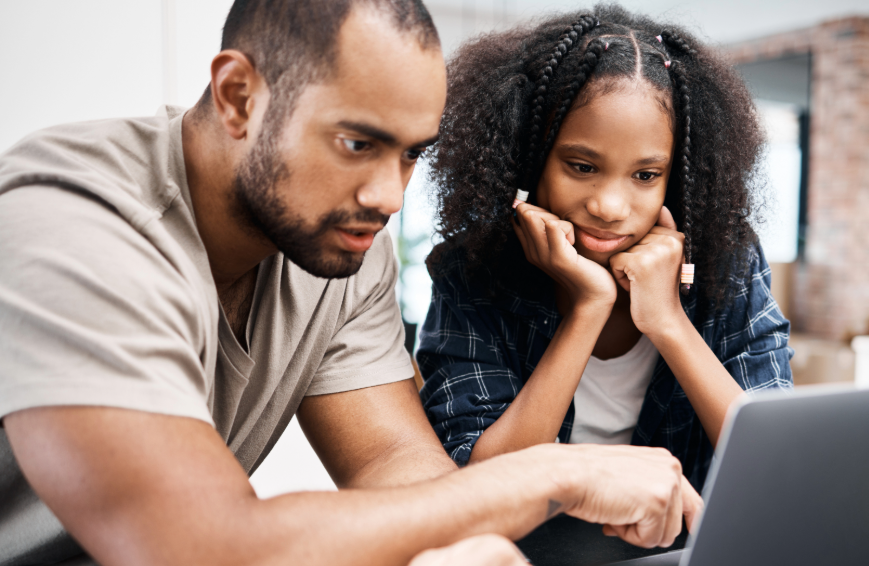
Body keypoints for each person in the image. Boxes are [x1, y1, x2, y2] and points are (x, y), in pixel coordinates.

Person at [0, 1, 703, 565]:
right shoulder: (73, 222)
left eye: (410, 156)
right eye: (358, 144)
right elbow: (205, 547)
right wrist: (560, 474)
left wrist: (473, 547)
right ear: (238, 95)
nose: (388, 196)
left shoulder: (340, 242)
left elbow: (392, 462)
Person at [418, 4, 794, 491]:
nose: (611, 207)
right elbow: (478, 481)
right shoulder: (472, 273)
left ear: (676, 181)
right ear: (528, 161)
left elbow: (777, 462)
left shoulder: (728, 266)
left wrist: (668, 321)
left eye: (645, 175)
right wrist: (589, 307)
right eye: (582, 166)